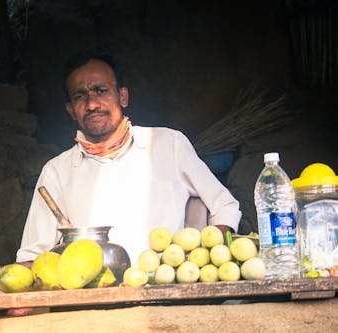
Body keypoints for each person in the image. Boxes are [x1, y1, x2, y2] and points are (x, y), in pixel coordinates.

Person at [16, 48, 241, 268]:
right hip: (94, 297)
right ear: (71, 110)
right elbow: (33, 254)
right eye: (80, 96)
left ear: (122, 96)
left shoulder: (168, 144)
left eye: (101, 91)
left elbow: (225, 206)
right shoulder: (56, 172)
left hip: (166, 291)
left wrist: (207, 255)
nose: (92, 104)